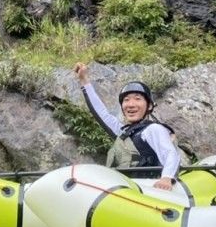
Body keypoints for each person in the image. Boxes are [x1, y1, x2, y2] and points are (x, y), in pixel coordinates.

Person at [74, 62, 180, 190]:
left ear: (149, 106)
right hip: (127, 190)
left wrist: (166, 178)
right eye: (126, 100)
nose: (131, 104)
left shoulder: (153, 130)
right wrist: (84, 80)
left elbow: (170, 153)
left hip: (150, 190)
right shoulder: (123, 133)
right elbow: (102, 113)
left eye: (137, 99)